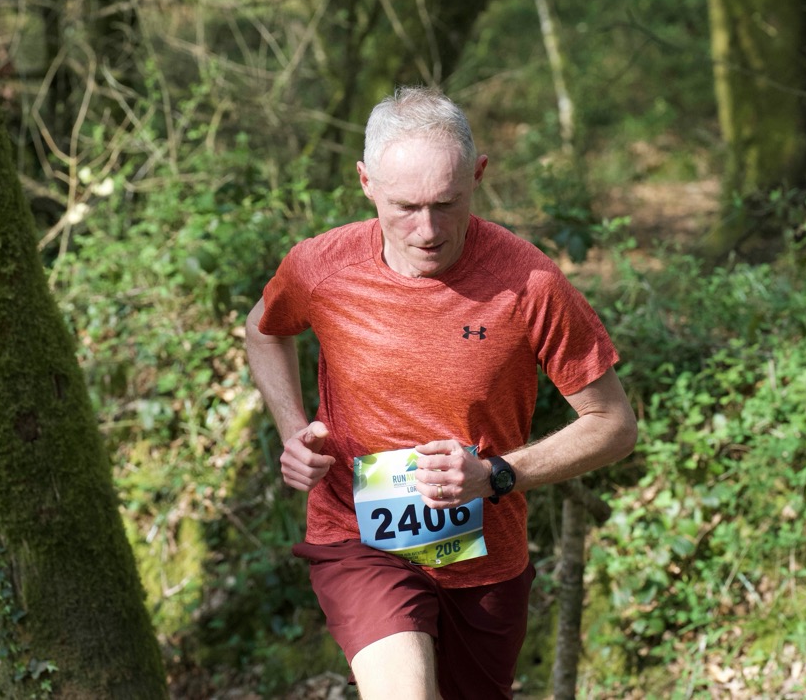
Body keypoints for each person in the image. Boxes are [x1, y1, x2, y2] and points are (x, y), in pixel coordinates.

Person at [244, 86, 637, 700]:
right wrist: (294, 430)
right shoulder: (321, 268)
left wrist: (498, 474)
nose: (427, 230)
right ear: (366, 182)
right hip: (359, 540)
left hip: (485, 563)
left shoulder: (528, 282)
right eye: (405, 207)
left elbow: (613, 424)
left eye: (447, 204)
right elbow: (264, 330)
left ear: (478, 175)